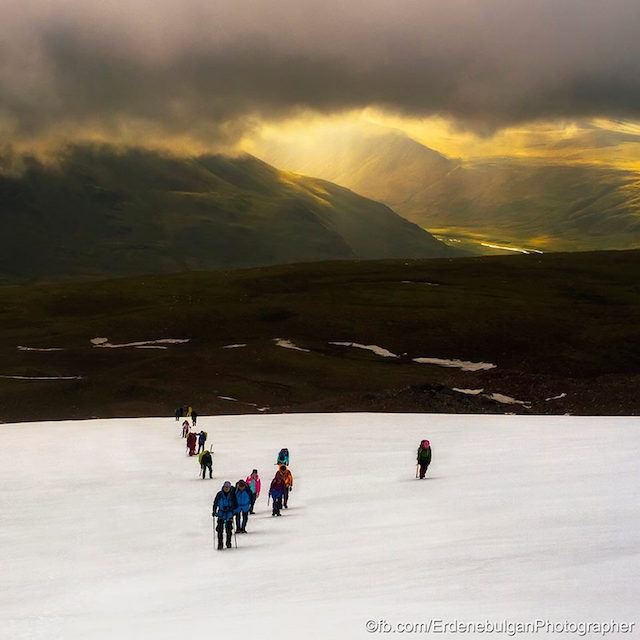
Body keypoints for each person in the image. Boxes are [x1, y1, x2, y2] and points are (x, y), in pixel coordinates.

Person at [212, 481, 237, 549]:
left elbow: (235, 504)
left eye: (228, 487)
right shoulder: (219, 494)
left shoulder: (232, 494)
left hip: (229, 513)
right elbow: (215, 503)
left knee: (229, 530)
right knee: (220, 530)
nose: (226, 488)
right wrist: (214, 511)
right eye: (225, 487)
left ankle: (228, 543)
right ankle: (220, 544)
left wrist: (232, 510)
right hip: (221, 513)